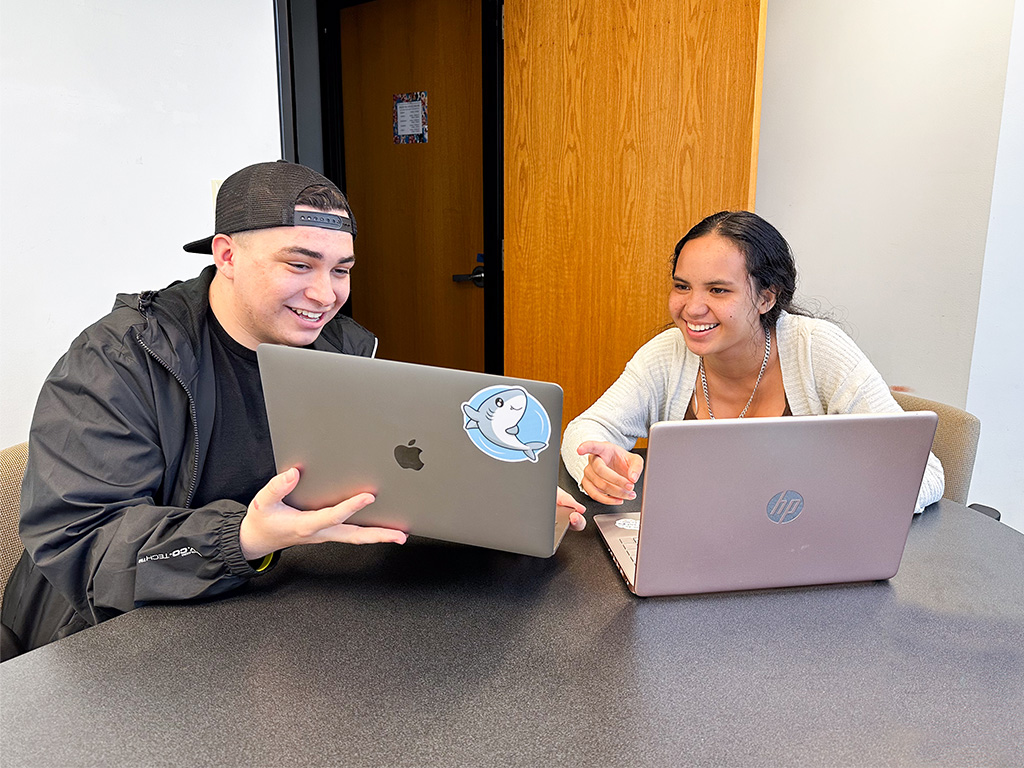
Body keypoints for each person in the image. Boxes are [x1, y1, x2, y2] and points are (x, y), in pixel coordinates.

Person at [1, 160, 584, 660]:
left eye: (341, 270)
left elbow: (388, 477)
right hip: (106, 638)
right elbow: (79, 542)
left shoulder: (345, 349)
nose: (325, 294)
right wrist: (243, 535)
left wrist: (495, 500)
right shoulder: (119, 359)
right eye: (300, 265)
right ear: (227, 255)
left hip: (265, 620)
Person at [560, 210, 944, 511]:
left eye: (718, 289)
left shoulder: (817, 349)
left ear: (766, 298)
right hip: (700, 550)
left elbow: (924, 471)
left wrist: (831, 504)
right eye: (682, 286)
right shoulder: (668, 352)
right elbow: (588, 429)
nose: (692, 308)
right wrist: (597, 468)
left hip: (805, 555)